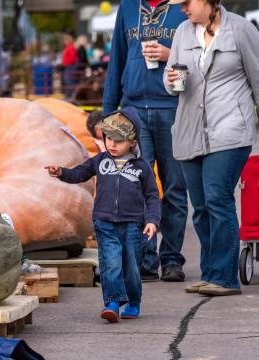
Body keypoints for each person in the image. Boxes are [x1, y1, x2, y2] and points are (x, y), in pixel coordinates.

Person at [164, 0, 259, 295]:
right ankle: (211, 273)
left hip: (230, 130)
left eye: (186, 2)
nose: (182, 9)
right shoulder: (182, 32)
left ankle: (226, 278)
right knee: (202, 206)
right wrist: (171, 81)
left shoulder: (241, 30)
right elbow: (172, 83)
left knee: (218, 197)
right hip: (190, 130)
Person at [45, 108, 161, 322]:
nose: (112, 144)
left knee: (132, 267)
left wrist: (152, 220)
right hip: (105, 221)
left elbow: (153, 196)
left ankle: (133, 301)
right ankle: (113, 303)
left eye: (118, 140)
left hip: (133, 224)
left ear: (133, 142)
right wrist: (61, 172)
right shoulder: (99, 160)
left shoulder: (142, 167)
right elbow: (79, 173)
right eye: (108, 138)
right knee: (111, 262)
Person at [103, 0, 189, 283]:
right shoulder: (128, 7)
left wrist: (169, 54)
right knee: (135, 187)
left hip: (173, 107)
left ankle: (172, 259)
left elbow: (198, 56)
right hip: (133, 108)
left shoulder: (185, 7)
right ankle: (144, 260)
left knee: (175, 186)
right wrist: (108, 116)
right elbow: (117, 59)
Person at [61, 33, 79, 98]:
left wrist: (66, 63)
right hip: (69, 67)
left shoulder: (70, 47)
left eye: (65, 40)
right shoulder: (70, 47)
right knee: (69, 82)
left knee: (69, 82)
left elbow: (72, 58)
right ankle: (69, 96)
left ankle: (70, 97)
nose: (64, 42)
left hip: (70, 67)